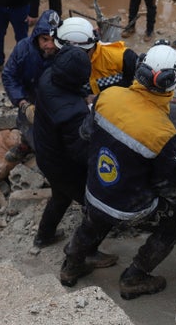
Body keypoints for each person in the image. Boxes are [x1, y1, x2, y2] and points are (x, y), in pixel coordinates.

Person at [59, 43, 176, 300]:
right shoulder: (164, 131)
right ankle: (134, 277)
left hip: (94, 191)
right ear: (171, 81)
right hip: (129, 207)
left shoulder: (108, 96)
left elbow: (85, 133)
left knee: (93, 221)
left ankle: (71, 266)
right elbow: (162, 182)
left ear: (140, 67)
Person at [30, 44, 121, 271]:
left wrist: (84, 98)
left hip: (45, 152)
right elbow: (81, 153)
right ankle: (86, 253)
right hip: (63, 164)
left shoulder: (48, 76)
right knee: (100, 207)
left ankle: (44, 235)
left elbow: (71, 93)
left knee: (60, 195)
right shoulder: (72, 114)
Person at [2, 10, 60, 165]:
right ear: (37, 37)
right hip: (29, 96)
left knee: (53, 133)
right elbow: (9, 75)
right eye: (45, 39)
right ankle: (25, 145)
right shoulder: (23, 48)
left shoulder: (64, 53)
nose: (49, 45)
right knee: (26, 124)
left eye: (53, 40)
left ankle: (50, 159)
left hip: (54, 100)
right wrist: (22, 103)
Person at [54, 17, 139, 100]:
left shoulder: (122, 57)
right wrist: (85, 98)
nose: (64, 57)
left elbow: (141, 88)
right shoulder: (62, 65)